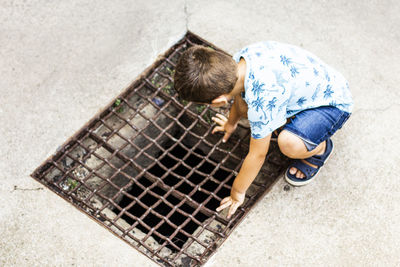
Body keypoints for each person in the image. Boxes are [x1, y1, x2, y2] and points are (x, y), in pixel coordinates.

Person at [173, 42, 353, 219]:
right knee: (247, 107)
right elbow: (240, 98)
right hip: (318, 83)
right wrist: (231, 123)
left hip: (333, 105)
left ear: (219, 101)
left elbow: (257, 155)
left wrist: (237, 192)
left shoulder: (263, 102)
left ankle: (319, 150)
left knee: (288, 143)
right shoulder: (242, 59)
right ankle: (292, 124)